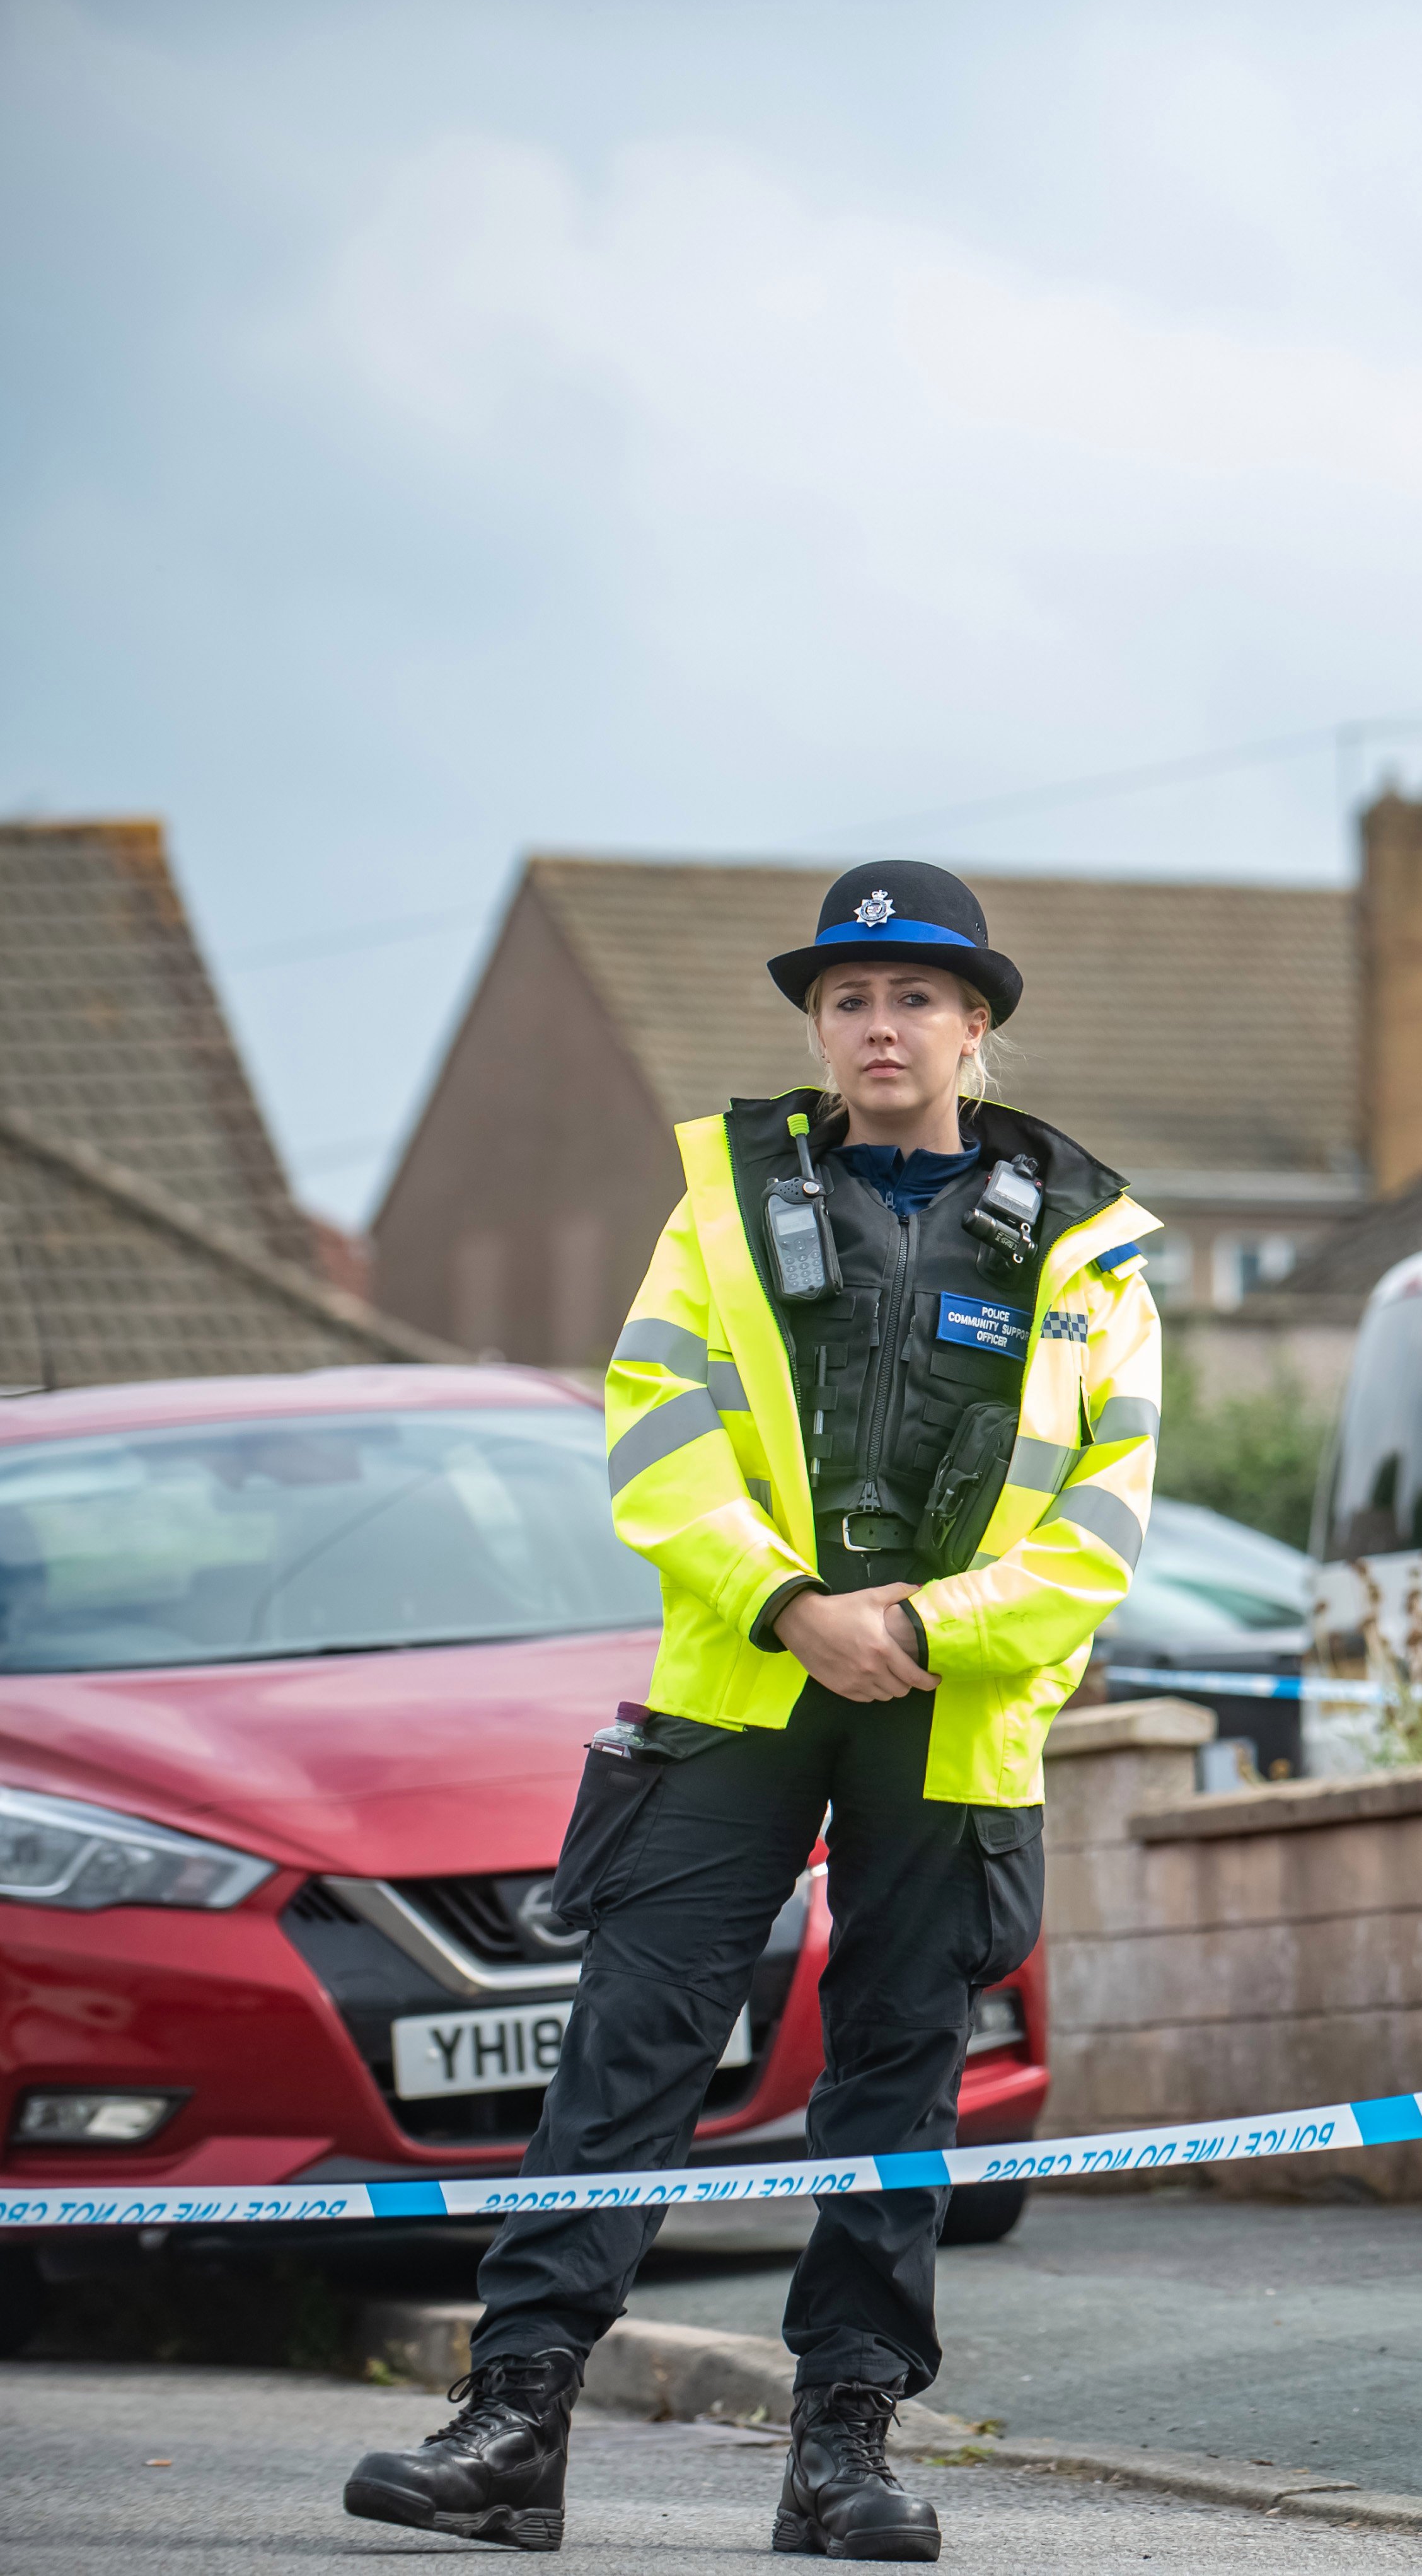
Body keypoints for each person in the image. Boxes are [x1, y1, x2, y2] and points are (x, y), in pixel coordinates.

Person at [344, 861, 1162, 2561]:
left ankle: (843, 2457)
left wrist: (921, 1627)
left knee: (896, 2085)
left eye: (916, 997)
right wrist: (795, 1609)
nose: (880, 1025)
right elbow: (655, 1438)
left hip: (952, 1709)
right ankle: (513, 2430)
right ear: (817, 1026)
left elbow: (1101, 1526)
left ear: (975, 1027)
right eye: (849, 999)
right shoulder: (718, 1202)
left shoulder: (1092, 1248)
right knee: (624, 2061)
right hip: (741, 1686)